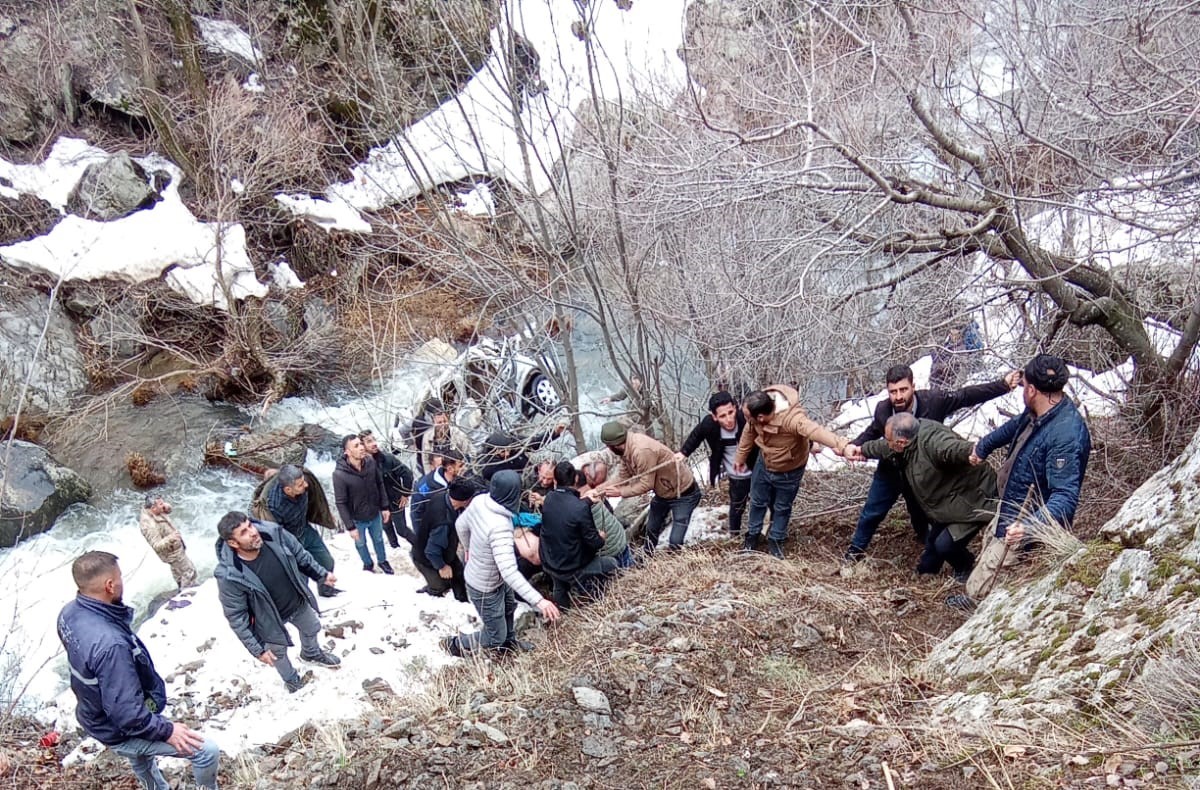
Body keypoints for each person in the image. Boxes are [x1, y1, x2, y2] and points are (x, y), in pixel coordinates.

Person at [57, 551, 220, 789]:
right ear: (110, 585)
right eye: (119, 577)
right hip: (118, 728)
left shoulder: (69, 613)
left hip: (94, 714)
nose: (122, 582)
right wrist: (167, 731)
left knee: (141, 757)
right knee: (206, 751)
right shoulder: (111, 645)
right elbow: (127, 715)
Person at [948, 355, 1092, 612]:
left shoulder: (1066, 435)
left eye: (1024, 386)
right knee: (988, 554)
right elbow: (1013, 427)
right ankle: (977, 599)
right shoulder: (1037, 412)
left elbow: (1065, 496)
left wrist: (1028, 527)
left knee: (987, 582)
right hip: (1010, 505)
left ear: (1032, 390)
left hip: (1027, 522)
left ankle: (979, 613)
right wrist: (983, 447)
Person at [842, 364, 1021, 562]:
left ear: (913, 387)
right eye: (893, 392)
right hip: (892, 466)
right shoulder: (883, 410)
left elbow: (965, 396)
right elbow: (873, 432)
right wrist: (855, 446)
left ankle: (931, 551)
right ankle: (854, 553)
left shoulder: (933, 401)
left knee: (921, 513)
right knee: (872, 511)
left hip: (926, 471)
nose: (898, 396)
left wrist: (1002, 385)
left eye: (903, 389)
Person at [214, 512, 341, 693]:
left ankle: (311, 653)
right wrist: (258, 650)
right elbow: (236, 615)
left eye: (250, 525)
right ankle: (291, 680)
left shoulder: (273, 534)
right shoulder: (229, 575)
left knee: (312, 628)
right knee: (277, 655)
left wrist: (321, 574)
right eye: (244, 532)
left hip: (295, 602)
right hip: (268, 621)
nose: (253, 532)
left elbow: (300, 555)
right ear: (233, 543)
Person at [859, 413, 998, 579]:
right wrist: (861, 450)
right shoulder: (908, 442)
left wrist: (973, 451)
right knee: (930, 554)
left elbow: (952, 449)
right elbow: (883, 447)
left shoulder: (932, 442)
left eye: (889, 440)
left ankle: (965, 567)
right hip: (948, 502)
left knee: (944, 545)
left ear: (901, 442)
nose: (887, 443)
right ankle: (927, 573)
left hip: (974, 499)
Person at [441, 471, 561, 656]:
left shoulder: (480, 501)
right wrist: (540, 601)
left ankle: (508, 645)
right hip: (485, 586)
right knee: (494, 635)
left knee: (508, 608)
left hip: (492, 575)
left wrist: (468, 548)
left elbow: (460, 524)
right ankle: (455, 644)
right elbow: (509, 572)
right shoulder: (500, 528)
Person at [734, 385, 850, 557]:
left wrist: (842, 445)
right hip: (764, 463)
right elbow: (748, 433)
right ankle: (752, 536)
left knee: (782, 507)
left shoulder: (792, 419)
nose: (745, 419)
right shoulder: (755, 418)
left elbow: (815, 431)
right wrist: (740, 458)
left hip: (790, 469)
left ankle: (776, 540)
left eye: (747, 416)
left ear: (761, 417)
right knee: (757, 502)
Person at [600, 421, 700, 554]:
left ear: (614, 445)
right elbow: (623, 476)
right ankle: (647, 557)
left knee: (675, 541)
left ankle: (677, 562)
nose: (608, 448)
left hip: (684, 493)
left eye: (608, 446)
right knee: (651, 528)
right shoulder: (626, 450)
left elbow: (646, 484)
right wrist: (599, 490)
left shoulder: (641, 451)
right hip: (663, 493)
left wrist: (620, 492)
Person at [677, 392, 758, 536]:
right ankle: (734, 534)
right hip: (737, 476)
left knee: (763, 502)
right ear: (714, 417)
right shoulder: (709, 425)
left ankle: (761, 532)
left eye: (731, 412)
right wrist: (683, 453)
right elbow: (696, 436)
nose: (729, 419)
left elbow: (769, 427)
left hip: (756, 470)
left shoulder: (745, 418)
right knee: (737, 507)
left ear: (736, 408)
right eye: (722, 416)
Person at [539, 461, 618, 608]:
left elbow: (567, 508)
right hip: (572, 567)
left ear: (555, 480)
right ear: (576, 479)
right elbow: (594, 542)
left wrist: (587, 501)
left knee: (559, 587)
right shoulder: (580, 508)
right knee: (612, 564)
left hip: (549, 561)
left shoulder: (549, 498)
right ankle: (597, 600)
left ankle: (563, 613)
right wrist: (601, 537)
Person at [259, 465, 340, 598]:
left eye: (303, 481)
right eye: (301, 484)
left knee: (327, 561)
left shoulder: (300, 486)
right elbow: (276, 532)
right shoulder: (275, 506)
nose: (306, 485)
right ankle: (305, 600)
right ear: (288, 489)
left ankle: (325, 588)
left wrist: (324, 514)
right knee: (302, 575)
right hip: (291, 539)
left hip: (305, 529)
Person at [332, 434, 393, 574]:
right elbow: (341, 502)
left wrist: (384, 506)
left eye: (360, 444)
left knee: (378, 539)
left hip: (374, 512)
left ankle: (383, 561)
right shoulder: (339, 475)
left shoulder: (370, 461)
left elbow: (379, 483)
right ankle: (368, 564)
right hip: (357, 519)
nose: (361, 447)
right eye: (356, 446)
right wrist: (350, 526)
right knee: (360, 543)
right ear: (347, 452)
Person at [412, 478, 476, 601]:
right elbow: (431, 551)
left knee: (458, 572)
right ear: (464, 500)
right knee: (440, 586)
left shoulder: (442, 496)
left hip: (445, 549)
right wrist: (442, 567)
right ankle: (432, 591)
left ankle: (462, 601)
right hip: (426, 558)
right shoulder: (443, 522)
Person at [361, 429, 415, 548]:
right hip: (378, 504)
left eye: (374, 440)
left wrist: (405, 493)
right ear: (362, 446)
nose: (374, 443)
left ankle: (420, 547)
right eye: (369, 441)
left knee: (402, 530)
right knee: (387, 528)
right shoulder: (362, 465)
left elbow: (407, 474)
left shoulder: (387, 459)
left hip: (395, 501)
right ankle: (395, 549)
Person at [138, 496, 198, 589]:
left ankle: (182, 588)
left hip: (176, 548)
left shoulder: (155, 509)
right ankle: (187, 592)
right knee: (189, 571)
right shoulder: (149, 525)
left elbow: (167, 510)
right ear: (153, 508)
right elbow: (156, 545)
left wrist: (166, 507)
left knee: (178, 573)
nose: (163, 505)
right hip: (172, 553)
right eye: (161, 504)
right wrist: (171, 538)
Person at [582, 470, 634, 568]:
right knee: (629, 567)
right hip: (620, 541)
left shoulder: (579, 511)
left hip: (607, 553)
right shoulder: (598, 499)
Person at [409, 449, 466, 535]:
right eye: (461, 466)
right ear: (450, 469)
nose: (464, 469)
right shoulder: (425, 487)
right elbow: (416, 514)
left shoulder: (463, 480)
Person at [419, 406, 473, 474]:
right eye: (439, 422)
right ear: (434, 423)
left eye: (445, 421)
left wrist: (462, 472)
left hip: (456, 472)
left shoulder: (458, 434)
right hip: (437, 473)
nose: (443, 425)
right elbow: (425, 461)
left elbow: (470, 454)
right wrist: (429, 476)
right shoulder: (427, 437)